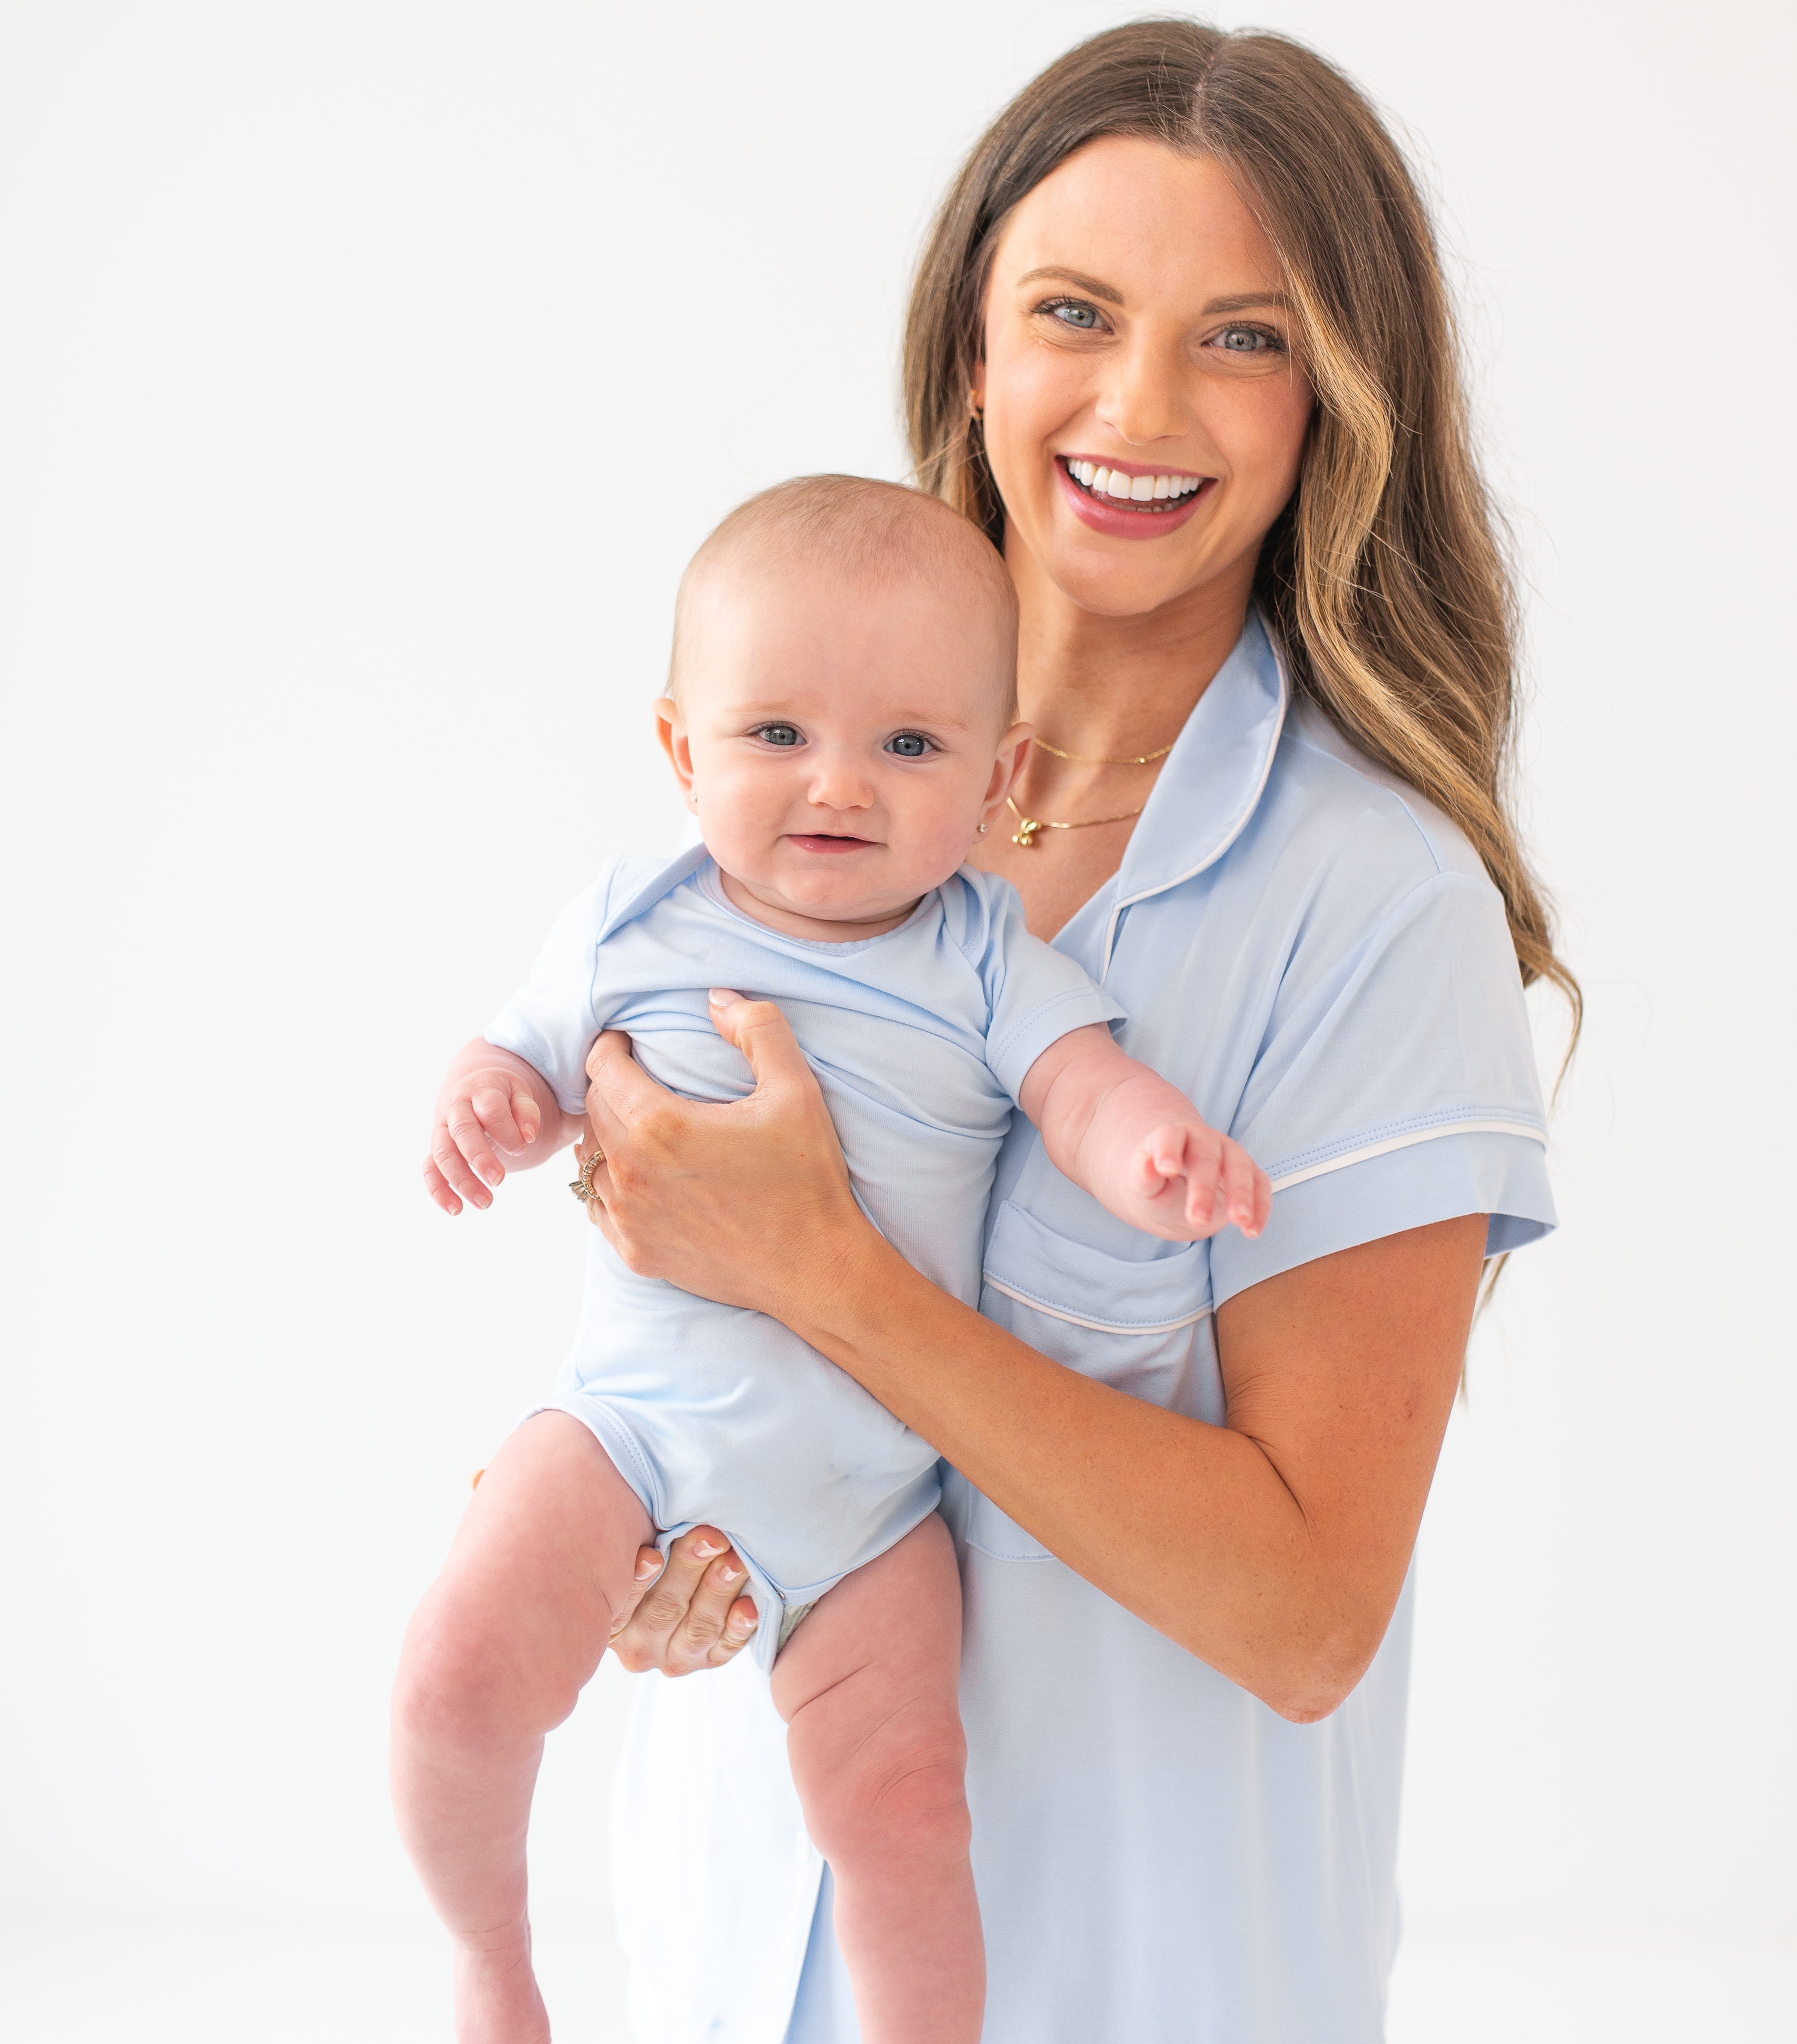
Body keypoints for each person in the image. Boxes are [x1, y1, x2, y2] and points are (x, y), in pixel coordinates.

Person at [570, 22, 1575, 2044]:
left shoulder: (1372, 908)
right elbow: (684, 1341)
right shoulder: (780, 798)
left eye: (1244, 338)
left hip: (1132, 1988)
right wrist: (642, 1538)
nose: (1139, 404)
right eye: (1075, 314)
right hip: (729, 1965)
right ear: (973, 348)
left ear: (1334, 407)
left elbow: (1302, 1615)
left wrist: (834, 1278)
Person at [395, 475, 1270, 2044]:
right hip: (626, 1433)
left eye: (910, 747)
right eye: (777, 735)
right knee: (459, 1670)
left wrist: (1154, 1151)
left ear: (1001, 776)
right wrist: (491, 1102)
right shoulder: (632, 919)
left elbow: (1079, 1086)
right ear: (681, 751)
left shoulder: (985, 951)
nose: (838, 789)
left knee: (908, 1820)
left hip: (874, 1509)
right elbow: (525, 1064)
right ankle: (491, 1959)